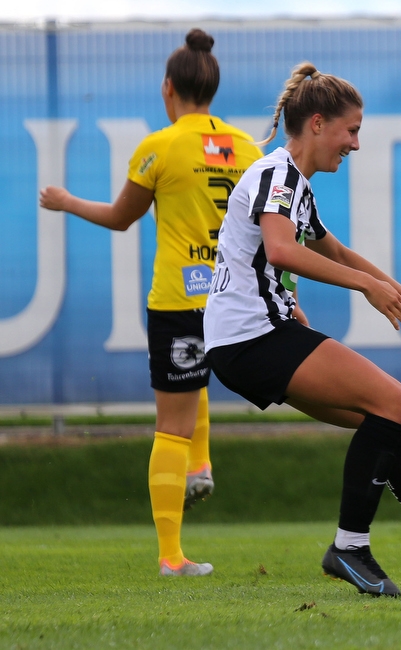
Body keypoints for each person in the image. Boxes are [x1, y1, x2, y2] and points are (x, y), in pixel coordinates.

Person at [203, 62, 401, 598]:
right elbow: (281, 251)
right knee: (394, 399)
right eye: (352, 130)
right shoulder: (274, 174)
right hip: (249, 336)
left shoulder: (294, 184)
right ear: (319, 123)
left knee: (387, 424)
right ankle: (349, 547)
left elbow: (336, 252)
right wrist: (366, 290)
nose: (355, 144)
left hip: (250, 337)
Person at [39, 29, 264, 577]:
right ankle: (201, 466)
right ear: (212, 85)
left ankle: (170, 556)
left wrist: (67, 201)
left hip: (179, 300)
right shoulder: (249, 148)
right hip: (233, 300)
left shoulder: (159, 147)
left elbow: (121, 218)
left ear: (169, 88)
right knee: (201, 385)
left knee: (171, 422)